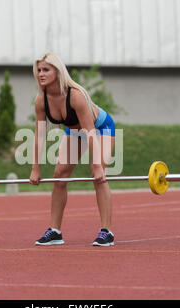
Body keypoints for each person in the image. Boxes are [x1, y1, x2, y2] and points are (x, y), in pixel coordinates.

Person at [30, 53, 116, 246]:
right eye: (39, 70)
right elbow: (39, 135)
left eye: (46, 69)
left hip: (100, 128)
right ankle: (54, 231)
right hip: (75, 131)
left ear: (58, 72)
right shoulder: (41, 100)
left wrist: (97, 164)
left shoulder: (75, 95)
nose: (41, 74)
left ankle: (106, 231)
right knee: (60, 174)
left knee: (98, 174)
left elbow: (91, 132)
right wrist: (35, 167)